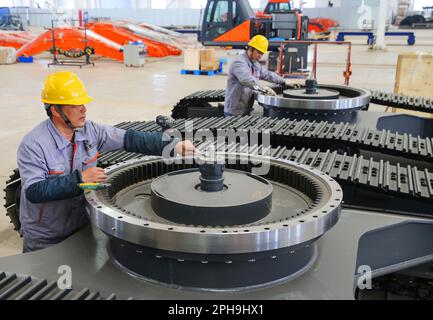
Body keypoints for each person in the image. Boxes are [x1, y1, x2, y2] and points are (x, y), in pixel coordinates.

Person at [17, 71, 195, 253]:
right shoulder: (34, 145)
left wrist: (173, 145)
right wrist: (80, 178)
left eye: (83, 103)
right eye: (76, 105)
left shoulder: (89, 131)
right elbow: (34, 191)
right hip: (46, 237)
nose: (84, 109)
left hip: (81, 227)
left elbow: (129, 139)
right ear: (55, 110)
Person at [224, 35, 298, 117]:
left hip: (245, 109)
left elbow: (267, 74)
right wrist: (262, 88)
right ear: (251, 49)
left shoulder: (255, 64)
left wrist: (284, 81)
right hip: (233, 111)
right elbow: (246, 79)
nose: (260, 56)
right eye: (259, 52)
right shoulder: (239, 62)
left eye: (262, 53)